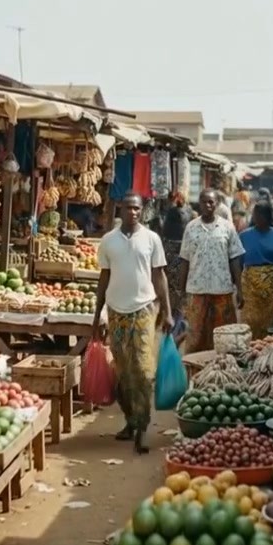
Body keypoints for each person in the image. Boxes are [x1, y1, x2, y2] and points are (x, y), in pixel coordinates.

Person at [92, 192, 173, 454]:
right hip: (116, 311)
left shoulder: (151, 239)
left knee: (143, 370)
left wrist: (168, 311)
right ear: (120, 210)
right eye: (128, 208)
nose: (133, 212)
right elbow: (103, 279)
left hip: (144, 310)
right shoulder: (108, 241)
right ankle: (130, 420)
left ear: (142, 210)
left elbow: (159, 276)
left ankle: (142, 427)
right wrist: (97, 315)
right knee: (122, 372)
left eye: (137, 208)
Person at [179, 188, 244, 353]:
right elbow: (185, 260)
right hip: (196, 291)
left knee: (225, 339)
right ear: (199, 204)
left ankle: (223, 372)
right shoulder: (191, 228)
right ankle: (195, 374)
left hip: (222, 290)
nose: (208, 205)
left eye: (211, 202)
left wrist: (240, 290)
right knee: (195, 337)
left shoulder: (227, 228)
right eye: (204, 201)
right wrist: (181, 291)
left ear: (217, 204)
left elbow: (234, 259)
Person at [239, 202, 273, 339]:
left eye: (263, 214)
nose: (260, 218)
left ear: (269, 216)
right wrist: (239, 291)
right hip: (251, 290)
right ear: (254, 216)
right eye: (257, 214)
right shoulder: (243, 236)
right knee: (252, 324)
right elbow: (238, 266)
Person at [161, 193, 195, 319]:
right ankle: (178, 316)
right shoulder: (188, 214)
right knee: (181, 289)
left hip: (169, 251)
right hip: (182, 252)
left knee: (170, 286)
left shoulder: (170, 213)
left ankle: (169, 313)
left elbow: (164, 230)